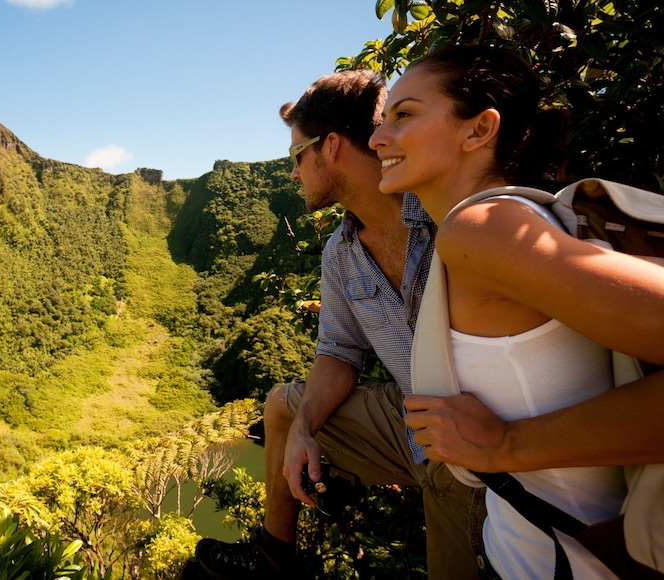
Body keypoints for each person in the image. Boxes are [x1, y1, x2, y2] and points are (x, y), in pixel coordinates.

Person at [368, 43, 664, 578]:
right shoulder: (504, 224)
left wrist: (506, 444)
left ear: (479, 130)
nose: (378, 138)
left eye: (404, 115)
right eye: (381, 119)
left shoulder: (484, 230)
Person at [194, 70, 486, 580]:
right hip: (412, 417)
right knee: (284, 408)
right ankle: (273, 559)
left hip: (482, 435)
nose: (291, 173)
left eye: (295, 155)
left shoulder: (448, 216)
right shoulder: (340, 253)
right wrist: (304, 429)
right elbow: (338, 352)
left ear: (331, 147)